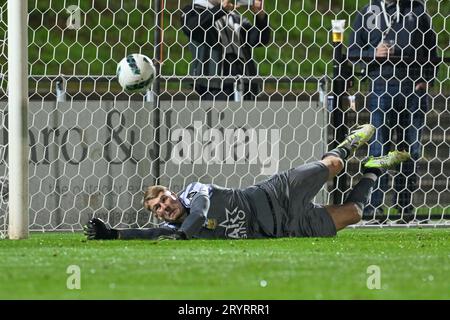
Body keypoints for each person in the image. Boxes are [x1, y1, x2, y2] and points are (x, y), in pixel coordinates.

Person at [84, 124, 412, 240]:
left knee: (335, 163)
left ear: (173, 193)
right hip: (288, 227)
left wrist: (185, 233)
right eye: (158, 209)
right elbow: (151, 233)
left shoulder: (195, 192)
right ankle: (374, 169)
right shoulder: (175, 230)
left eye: (165, 199)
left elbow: (201, 211)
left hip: (276, 193)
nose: (165, 207)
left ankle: (349, 143)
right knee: (354, 213)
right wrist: (113, 234)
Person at [348, 0, 439, 219]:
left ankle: (404, 207)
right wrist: (373, 53)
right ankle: (373, 207)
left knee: (410, 151)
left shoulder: (417, 11)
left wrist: (427, 79)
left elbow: (432, 50)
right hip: (381, 83)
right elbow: (353, 51)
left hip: (412, 85)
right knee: (379, 147)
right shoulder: (368, 12)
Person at [180, 0, 271, 100]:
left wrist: (260, 17)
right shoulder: (193, 10)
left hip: (244, 77)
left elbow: (258, 40)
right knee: (220, 114)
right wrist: (220, 9)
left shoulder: (234, 16)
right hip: (214, 82)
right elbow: (191, 27)